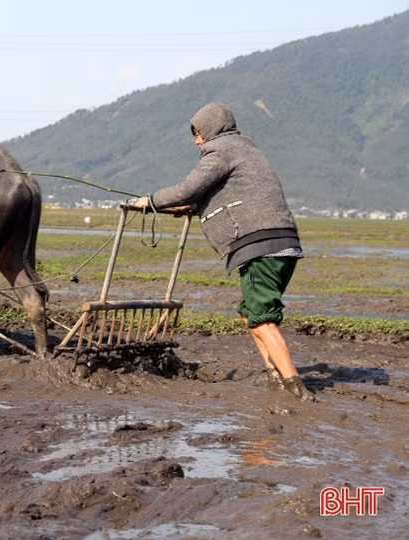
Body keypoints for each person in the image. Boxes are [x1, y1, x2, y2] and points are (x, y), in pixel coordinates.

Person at [131, 102, 315, 402]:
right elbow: (225, 193)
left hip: (259, 246)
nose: (196, 141)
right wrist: (190, 207)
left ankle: (296, 389)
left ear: (210, 130)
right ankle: (274, 373)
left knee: (262, 320)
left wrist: (149, 201)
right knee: (249, 314)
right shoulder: (246, 149)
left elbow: (189, 188)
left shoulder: (221, 151)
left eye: (198, 134)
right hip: (282, 243)